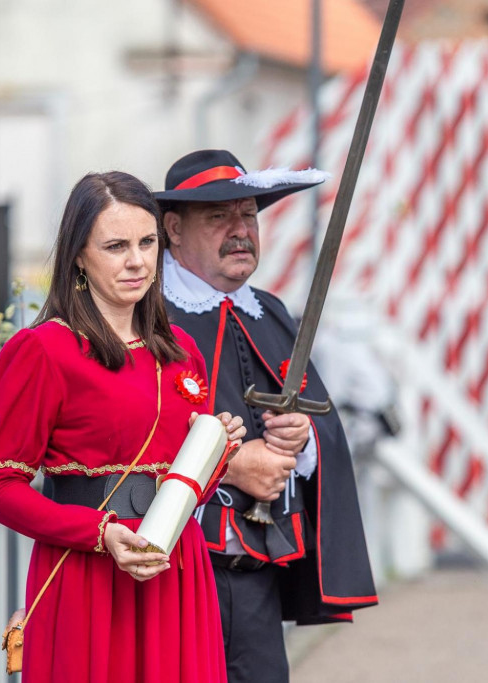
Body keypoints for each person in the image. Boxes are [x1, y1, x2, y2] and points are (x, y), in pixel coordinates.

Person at [0, 171, 246, 683]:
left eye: (147, 242)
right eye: (116, 246)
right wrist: (101, 533)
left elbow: (192, 488)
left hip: (175, 569)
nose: (137, 261)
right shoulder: (42, 351)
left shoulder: (181, 351)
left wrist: (215, 453)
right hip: (87, 572)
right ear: (78, 254)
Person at [155, 149, 378, 683]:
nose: (240, 231)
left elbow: (320, 419)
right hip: (170, 570)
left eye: (248, 215)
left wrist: (302, 440)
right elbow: (122, 430)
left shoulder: (269, 312)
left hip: (254, 573)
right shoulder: (147, 315)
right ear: (173, 229)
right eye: (218, 217)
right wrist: (230, 462)